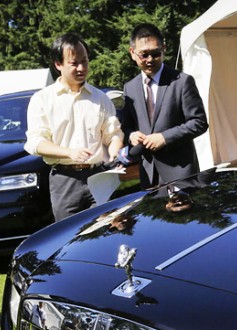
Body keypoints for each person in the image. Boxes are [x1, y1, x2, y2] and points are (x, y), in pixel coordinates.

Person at [25, 32, 123, 221]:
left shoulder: (101, 98)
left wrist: (113, 154)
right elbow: (36, 142)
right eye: (74, 63)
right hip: (64, 180)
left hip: (99, 177)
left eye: (84, 61)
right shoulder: (42, 99)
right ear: (58, 64)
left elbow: (113, 135)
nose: (81, 68)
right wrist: (69, 153)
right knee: (68, 234)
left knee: (103, 231)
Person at [120, 23, 208, 189]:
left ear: (164, 49)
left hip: (181, 173)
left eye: (155, 54)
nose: (150, 60)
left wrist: (165, 138)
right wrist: (131, 135)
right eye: (144, 55)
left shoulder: (182, 82)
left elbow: (199, 122)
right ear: (132, 53)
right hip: (148, 176)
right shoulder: (129, 88)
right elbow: (125, 126)